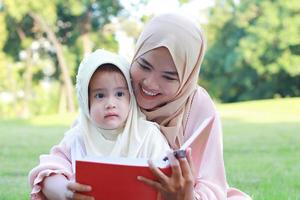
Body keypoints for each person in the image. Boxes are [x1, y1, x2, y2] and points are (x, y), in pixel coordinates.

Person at [130, 13, 252, 200]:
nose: (150, 84)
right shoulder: (116, 86)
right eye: (144, 66)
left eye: (169, 77)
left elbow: (211, 181)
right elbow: (74, 145)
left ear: (187, 78)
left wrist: (186, 196)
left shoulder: (198, 104)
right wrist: (67, 184)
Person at [28, 49, 170, 200]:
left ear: (131, 96)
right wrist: (66, 192)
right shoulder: (78, 136)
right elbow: (48, 173)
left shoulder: (148, 135)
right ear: (86, 101)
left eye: (119, 94)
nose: (110, 104)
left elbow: (167, 176)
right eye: (100, 95)